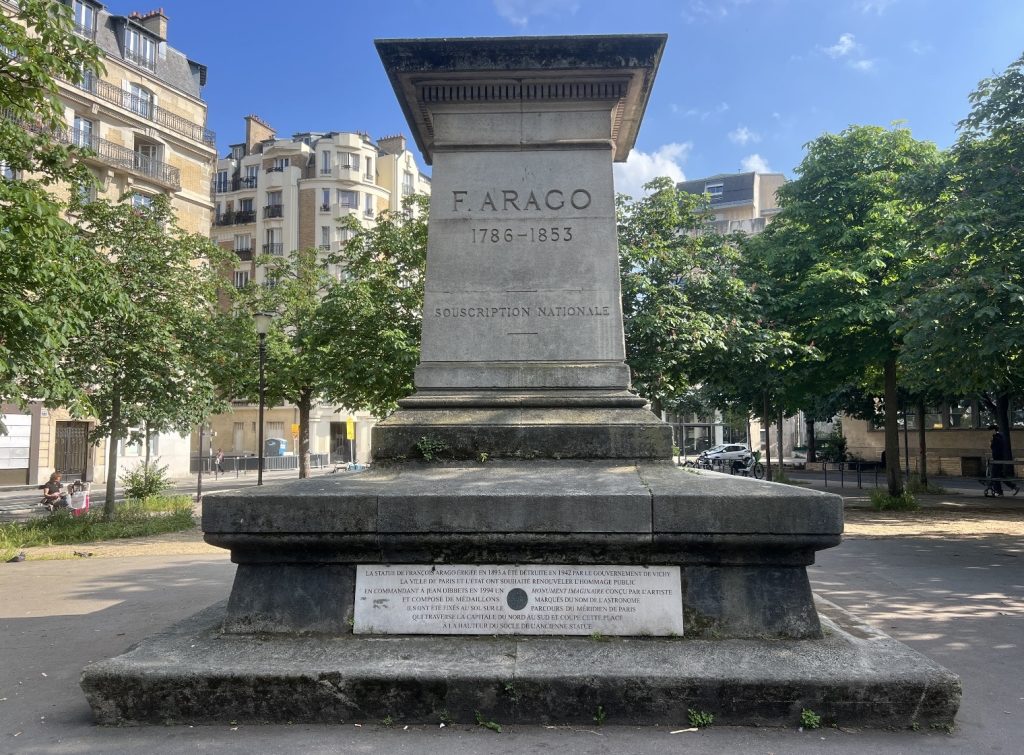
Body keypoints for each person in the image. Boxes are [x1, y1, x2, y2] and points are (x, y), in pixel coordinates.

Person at [990, 426, 1018, 496]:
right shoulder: (999, 437)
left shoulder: (997, 437)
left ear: (994, 430)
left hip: (997, 459)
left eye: (990, 430)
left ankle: (999, 491)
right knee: (1000, 475)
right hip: (998, 458)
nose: (989, 432)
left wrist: (992, 442)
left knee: (994, 476)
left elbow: (996, 449)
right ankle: (1014, 487)